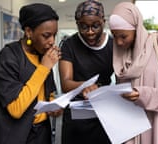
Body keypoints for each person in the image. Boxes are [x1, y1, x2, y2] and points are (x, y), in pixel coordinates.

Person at [0, 3, 62, 144]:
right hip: (13, 134)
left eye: (54, 35)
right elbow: (16, 109)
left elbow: (48, 93)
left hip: (41, 133)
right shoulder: (9, 56)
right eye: (46, 36)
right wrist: (44, 68)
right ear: (29, 31)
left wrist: (53, 106)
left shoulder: (42, 55)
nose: (52, 41)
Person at [108, 2, 158, 144]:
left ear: (136, 29)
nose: (118, 42)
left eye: (123, 36)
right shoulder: (121, 54)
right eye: (114, 35)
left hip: (157, 123)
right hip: (130, 126)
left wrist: (143, 94)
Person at [58, 0, 113, 144]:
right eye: (83, 27)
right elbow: (65, 83)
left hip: (104, 112)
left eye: (95, 26)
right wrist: (85, 86)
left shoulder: (113, 46)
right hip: (77, 115)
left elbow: (123, 80)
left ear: (103, 22)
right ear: (77, 24)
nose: (89, 32)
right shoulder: (69, 45)